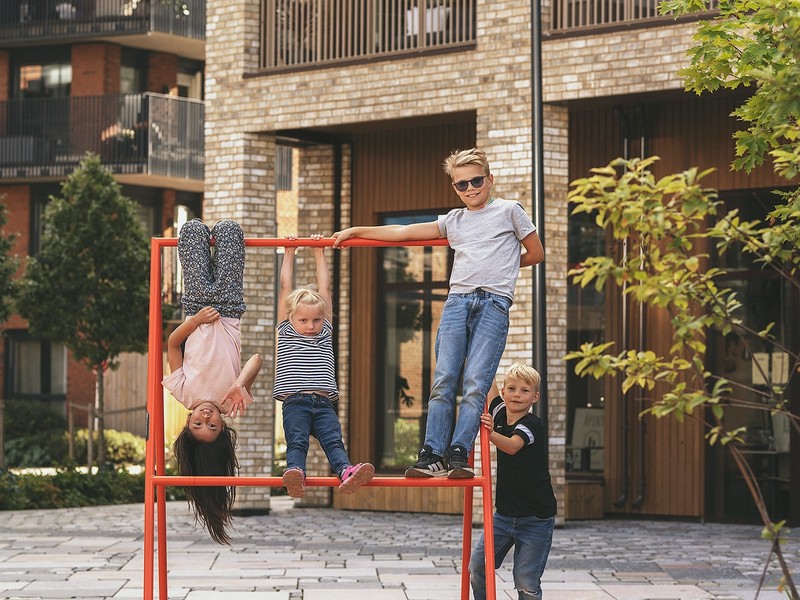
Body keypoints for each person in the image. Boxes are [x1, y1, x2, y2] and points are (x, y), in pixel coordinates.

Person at [332, 147, 544, 478]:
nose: (470, 189)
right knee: (443, 379)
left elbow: (536, 252)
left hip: (493, 305)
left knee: (475, 382)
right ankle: (432, 453)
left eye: (476, 181)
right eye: (462, 184)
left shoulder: (509, 211)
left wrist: (502, 266)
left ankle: (459, 452)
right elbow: (403, 232)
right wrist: (356, 231)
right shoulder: (454, 220)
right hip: (457, 303)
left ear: (490, 179)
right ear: (455, 188)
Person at [162, 218, 263, 545]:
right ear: (223, 426)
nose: (206, 418)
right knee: (230, 230)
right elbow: (257, 359)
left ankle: (199, 235)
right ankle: (221, 234)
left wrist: (194, 321)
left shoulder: (183, 393)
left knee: (191, 230)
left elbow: (173, 345)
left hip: (196, 308)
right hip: (229, 309)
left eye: (198, 424)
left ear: (188, 422)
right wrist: (241, 383)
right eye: (213, 426)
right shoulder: (231, 401)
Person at [275, 234, 375, 498]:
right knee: (297, 441)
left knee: (334, 441)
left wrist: (319, 251)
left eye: (317, 320)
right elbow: (285, 287)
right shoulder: (286, 331)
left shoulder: (325, 332)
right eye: (304, 320)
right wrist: (289, 252)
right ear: (291, 318)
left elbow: (326, 288)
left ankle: (346, 472)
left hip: (323, 404)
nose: (311, 326)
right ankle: (295, 473)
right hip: (295, 402)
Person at [468, 363, 556, 600]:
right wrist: (480, 355)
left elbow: (512, 446)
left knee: (525, 581)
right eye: (512, 389)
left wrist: (489, 433)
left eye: (525, 390)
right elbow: (489, 383)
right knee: (477, 567)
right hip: (504, 516)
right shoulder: (498, 412)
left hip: (536, 518)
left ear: (535, 397)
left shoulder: (532, 424)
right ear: (504, 392)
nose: (517, 395)